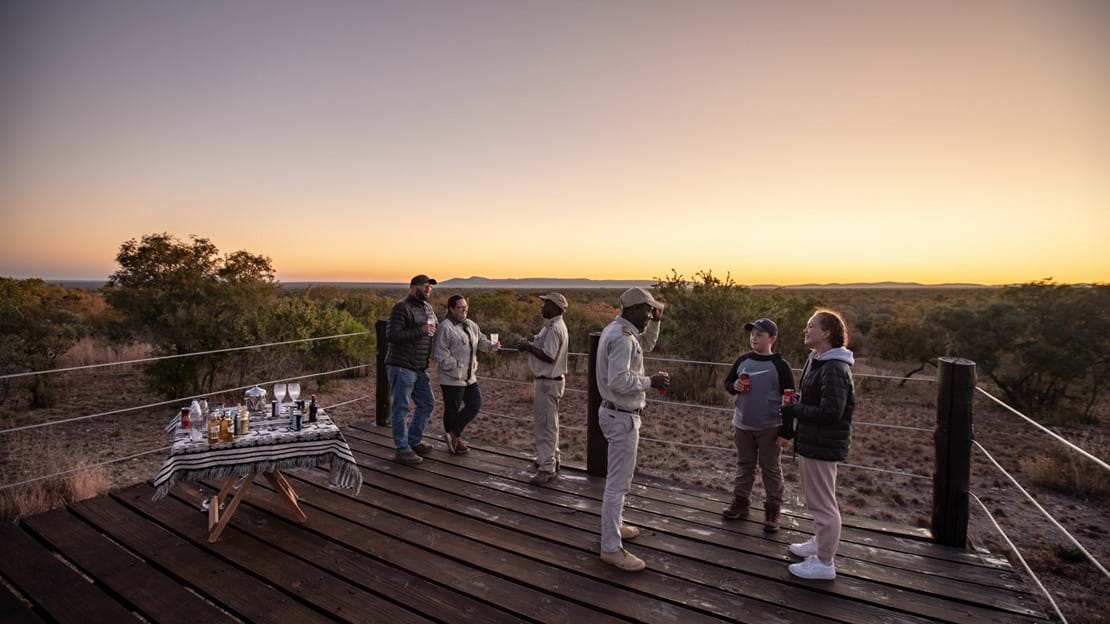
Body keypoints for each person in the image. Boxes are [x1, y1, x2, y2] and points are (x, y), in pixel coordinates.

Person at [595, 287, 669, 572]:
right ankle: (611, 547)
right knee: (617, 484)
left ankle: (616, 526)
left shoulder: (618, 330)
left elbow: (647, 345)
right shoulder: (623, 339)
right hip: (621, 417)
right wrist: (651, 382)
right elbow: (619, 381)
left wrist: (657, 322)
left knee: (618, 482)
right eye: (649, 311)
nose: (651, 315)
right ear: (636, 309)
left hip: (616, 414)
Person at [780, 309, 855, 580]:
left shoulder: (835, 367)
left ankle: (824, 563)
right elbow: (818, 400)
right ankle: (820, 542)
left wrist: (796, 409)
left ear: (826, 333)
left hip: (823, 443)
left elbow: (831, 412)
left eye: (811, 326)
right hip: (813, 441)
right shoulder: (819, 359)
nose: (805, 330)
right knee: (817, 500)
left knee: (824, 504)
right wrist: (799, 400)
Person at [722, 318, 795, 532]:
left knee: (770, 469)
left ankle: (772, 510)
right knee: (745, 465)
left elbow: (789, 399)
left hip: (770, 427)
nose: (754, 337)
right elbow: (728, 383)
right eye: (752, 333)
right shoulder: (742, 360)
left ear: (772, 338)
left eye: (759, 334)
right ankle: (740, 503)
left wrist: (787, 432)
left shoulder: (781, 366)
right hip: (742, 424)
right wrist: (733, 386)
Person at [434, 294, 500, 454]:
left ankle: (452, 434)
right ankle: (455, 442)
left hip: (470, 378)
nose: (464, 310)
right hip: (452, 378)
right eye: (460, 307)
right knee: (452, 409)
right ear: (451, 309)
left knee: (475, 404)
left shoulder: (470, 324)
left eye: (466, 307)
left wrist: (491, 346)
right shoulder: (445, 327)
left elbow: (481, 341)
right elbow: (440, 354)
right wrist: (457, 368)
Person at [385, 274, 439, 465]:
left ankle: (413, 440)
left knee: (427, 402)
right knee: (401, 408)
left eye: (430, 286)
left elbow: (433, 329)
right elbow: (392, 335)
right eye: (424, 285)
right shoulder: (401, 307)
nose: (427, 289)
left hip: (419, 367)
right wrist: (421, 330)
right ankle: (402, 449)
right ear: (412, 287)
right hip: (401, 366)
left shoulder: (427, 308)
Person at [516, 293, 570, 484]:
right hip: (549, 382)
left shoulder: (555, 328)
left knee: (545, 425)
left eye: (545, 304)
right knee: (549, 423)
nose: (541, 307)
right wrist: (529, 342)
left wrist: (528, 347)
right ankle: (550, 459)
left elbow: (548, 355)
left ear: (555, 307)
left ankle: (546, 468)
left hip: (548, 382)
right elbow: (542, 344)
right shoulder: (552, 326)